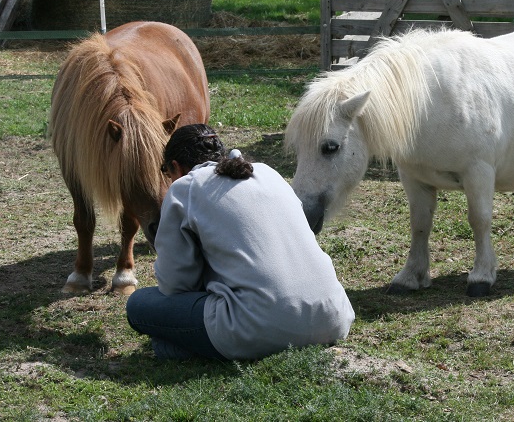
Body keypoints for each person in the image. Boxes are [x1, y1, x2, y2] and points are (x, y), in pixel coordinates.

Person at [126, 124, 355, 361]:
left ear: (175, 167)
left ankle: (182, 348)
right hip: (333, 318)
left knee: (139, 305)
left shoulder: (185, 187)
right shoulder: (269, 173)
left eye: (166, 172)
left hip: (259, 326)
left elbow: (175, 285)